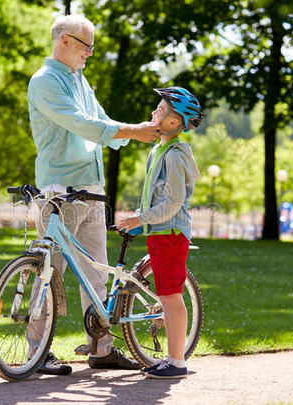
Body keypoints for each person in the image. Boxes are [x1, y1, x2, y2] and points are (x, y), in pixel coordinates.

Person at [26, 14, 161, 375]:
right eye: (87, 46)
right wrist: (133, 131)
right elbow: (81, 124)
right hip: (59, 190)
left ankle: (102, 348)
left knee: (96, 272)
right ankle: (36, 353)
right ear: (65, 41)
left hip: (91, 189)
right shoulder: (45, 82)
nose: (90, 53)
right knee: (48, 272)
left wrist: (136, 132)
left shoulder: (80, 81)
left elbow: (99, 119)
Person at [117, 86, 202, 379]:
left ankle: (177, 362)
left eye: (161, 109)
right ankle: (172, 358)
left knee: (171, 297)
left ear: (174, 122)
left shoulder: (175, 156)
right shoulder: (159, 149)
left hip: (170, 233)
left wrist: (140, 217)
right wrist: (142, 221)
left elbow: (173, 202)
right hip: (160, 232)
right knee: (167, 295)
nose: (155, 112)